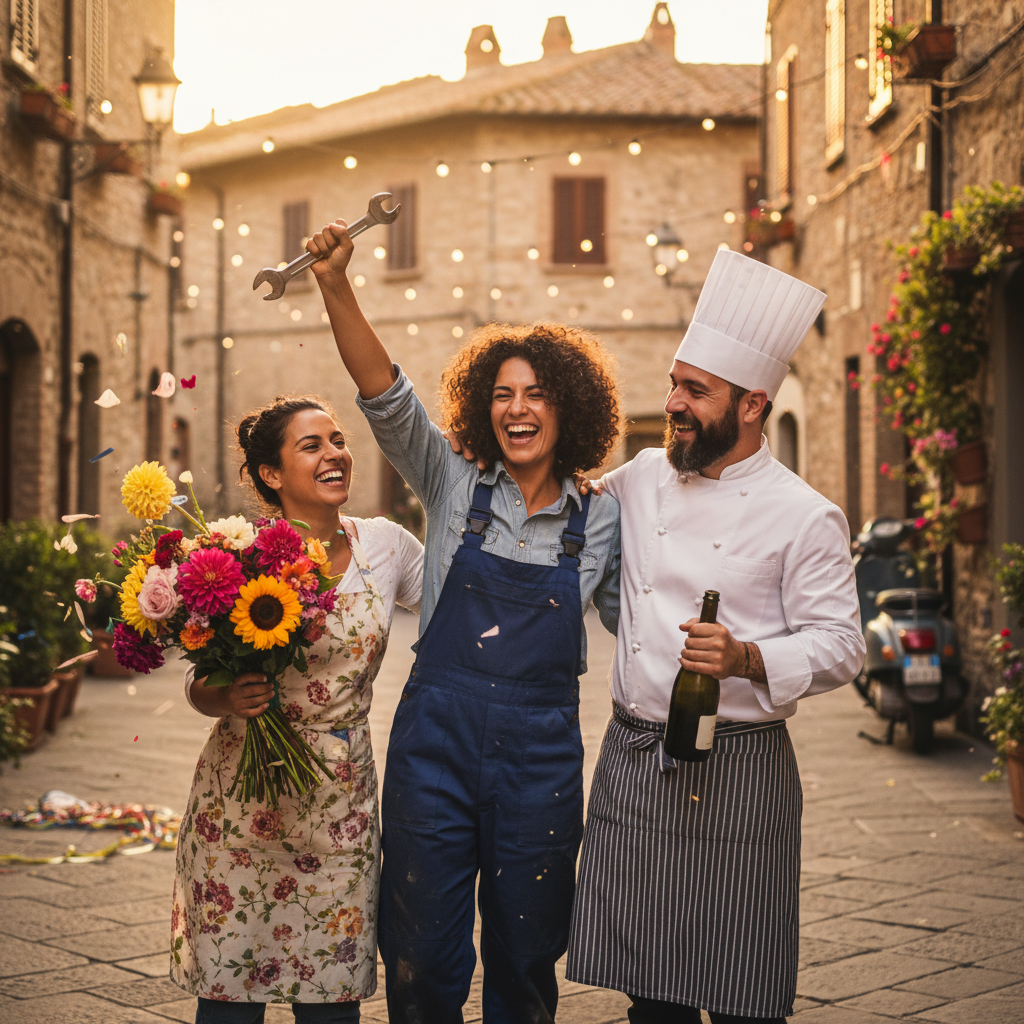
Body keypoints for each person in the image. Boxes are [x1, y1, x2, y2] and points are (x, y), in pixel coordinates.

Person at [307, 218, 622, 1024]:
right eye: (502, 394)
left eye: (536, 394)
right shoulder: (452, 481)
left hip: (539, 762)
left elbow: (647, 619)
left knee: (524, 958)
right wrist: (337, 283)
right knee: (422, 955)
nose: (517, 409)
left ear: (569, 409)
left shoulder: (606, 520)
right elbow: (383, 392)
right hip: (435, 752)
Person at [564, 251, 867, 1023]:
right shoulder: (638, 478)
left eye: (695, 390)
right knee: (652, 1001)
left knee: (742, 992)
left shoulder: (805, 515)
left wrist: (748, 657)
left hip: (741, 771)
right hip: (635, 758)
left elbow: (843, 645)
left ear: (754, 404)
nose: (673, 402)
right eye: (674, 383)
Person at [170, 395, 424, 1022]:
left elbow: (460, 604)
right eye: (312, 446)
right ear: (272, 475)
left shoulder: (388, 548)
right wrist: (226, 696)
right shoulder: (234, 558)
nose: (336, 453)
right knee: (229, 997)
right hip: (238, 808)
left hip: (341, 804)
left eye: (338, 440)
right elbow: (198, 686)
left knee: (331, 1000)